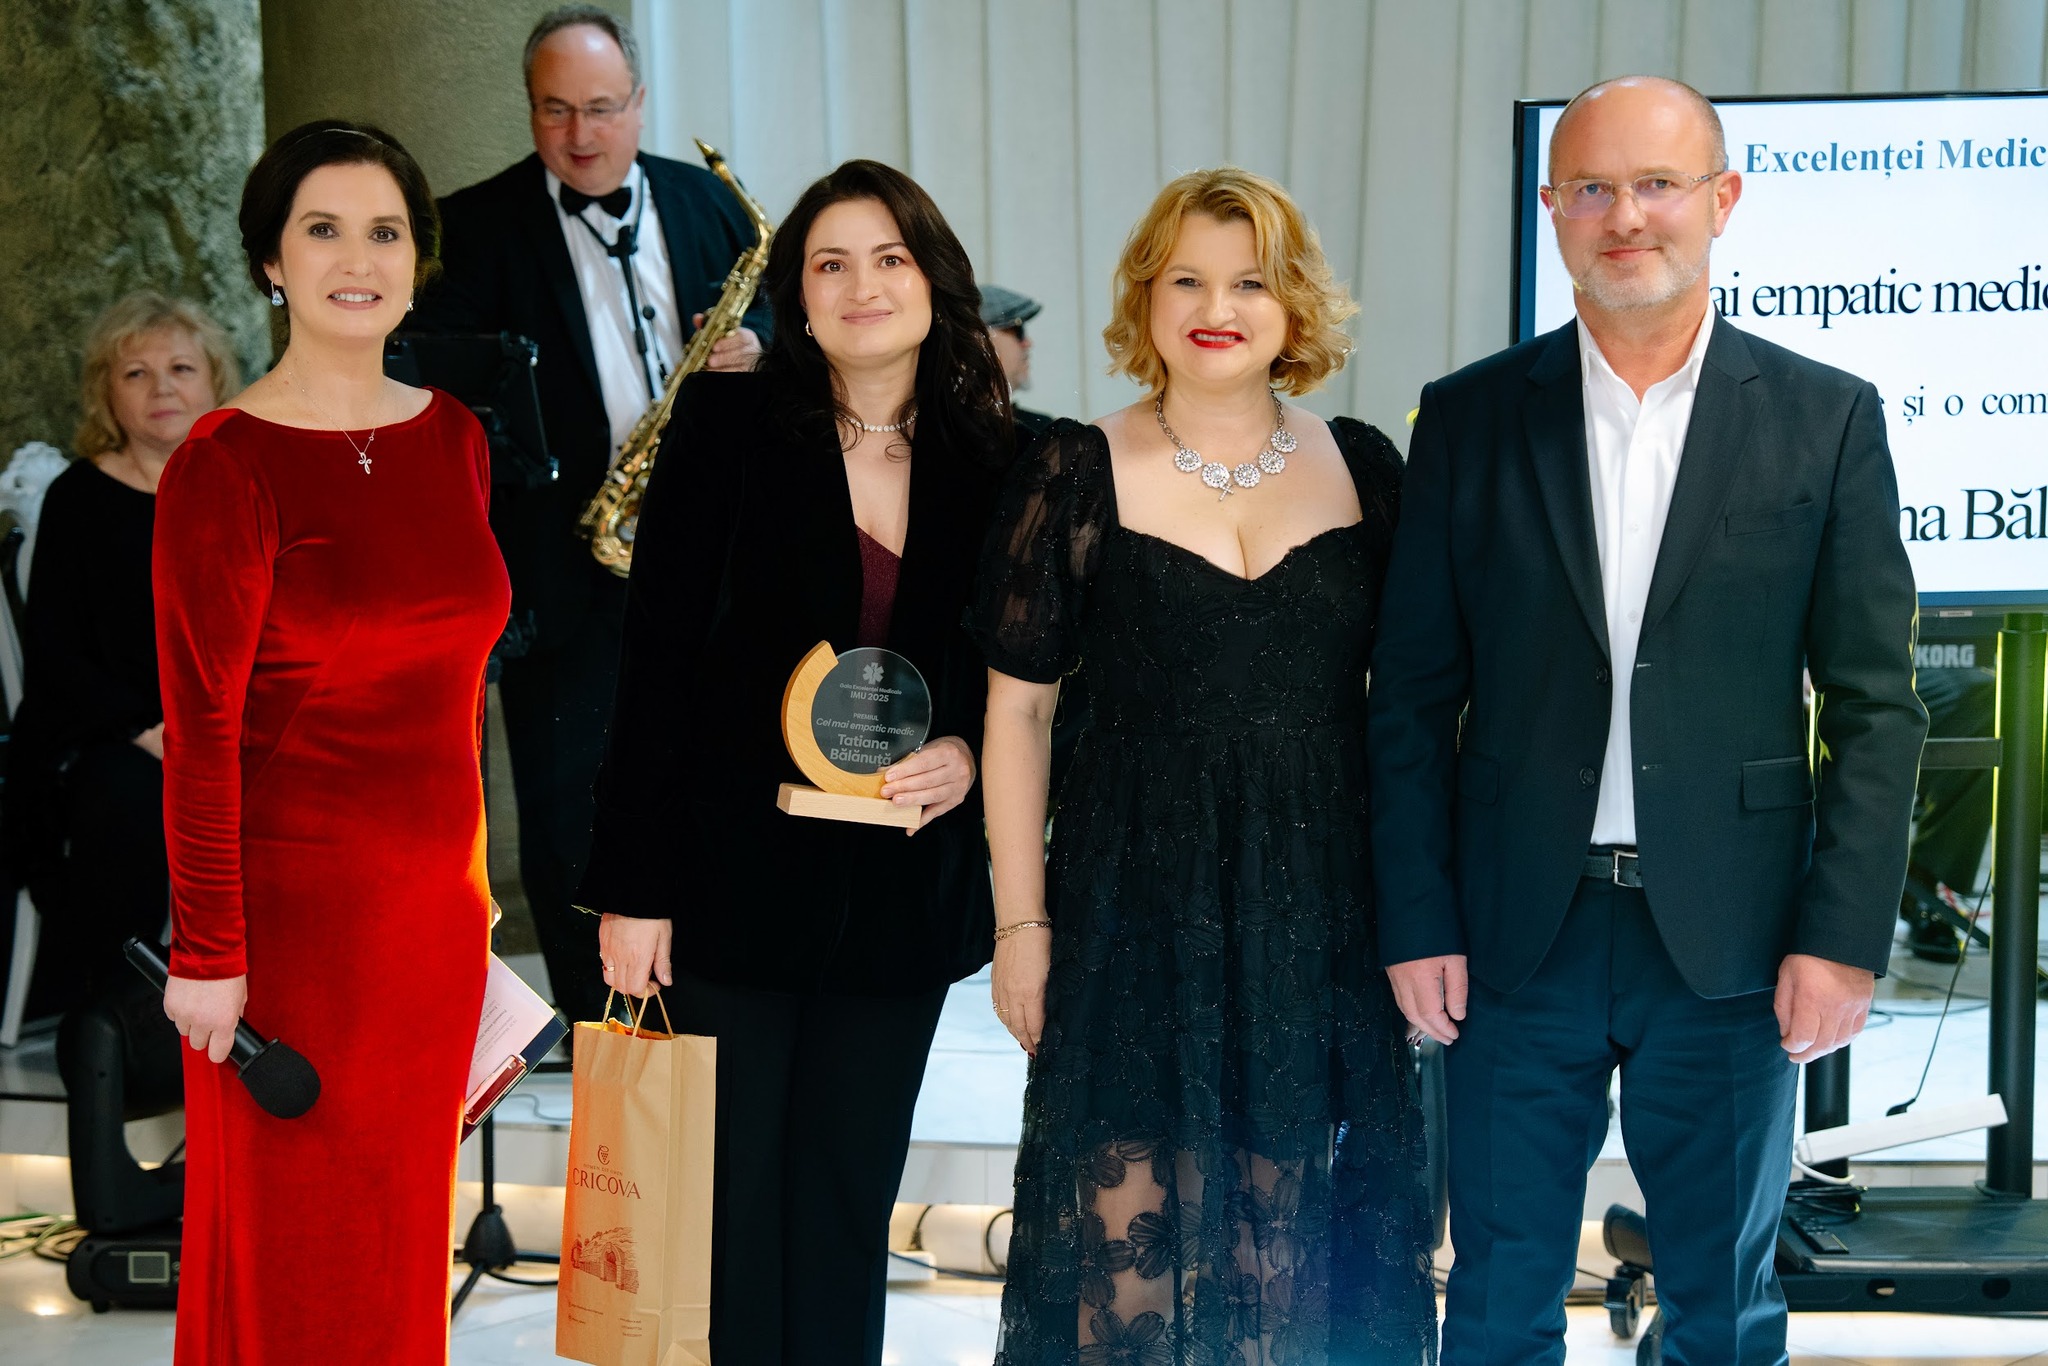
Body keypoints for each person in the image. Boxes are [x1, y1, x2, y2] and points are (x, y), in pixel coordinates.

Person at [1367, 76, 1926, 1364]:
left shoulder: (1825, 416)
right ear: (1550, 207)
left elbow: (1873, 705)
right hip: (1512, 935)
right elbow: (1408, 696)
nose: (1625, 215)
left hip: (1732, 942)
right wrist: (1416, 915)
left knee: (1722, 1309)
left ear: (1720, 200)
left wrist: (1840, 936)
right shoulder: (1467, 417)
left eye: (1657, 184)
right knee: (1493, 1302)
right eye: (1593, 188)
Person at [975, 167, 1438, 1364]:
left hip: (1317, 917)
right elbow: (1017, 714)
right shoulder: (1071, 468)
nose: (1215, 307)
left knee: (1288, 1276)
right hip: (1129, 910)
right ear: (1145, 295)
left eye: (1248, 282)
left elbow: (1417, 711)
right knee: (1123, 1278)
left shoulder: (1367, 468)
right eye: (1186, 278)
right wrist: (1019, 925)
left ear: (1293, 306)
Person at [584, 160, 1010, 1365]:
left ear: (933, 280)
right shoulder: (725, 428)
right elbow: (654, 663)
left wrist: (969, 754)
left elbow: (1031, 677)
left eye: (888, 258)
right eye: (830, 263)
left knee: (845, 1205)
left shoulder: (1002, 454)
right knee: (727, 1212)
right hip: (729, 886)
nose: (861, 285)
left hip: (899, 898)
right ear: (798, 295)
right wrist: (631, 889)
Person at [154, 121, 511, 1364]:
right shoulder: (225, 464)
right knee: (293, 1258)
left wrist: (473, 893)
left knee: (398, 1248)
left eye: (384, 232)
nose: (357, 260)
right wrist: (208, 952)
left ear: (417, 260)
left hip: (429, 933)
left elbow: (456, 695)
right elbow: (200, 733)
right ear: (271, 260)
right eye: (323, 230)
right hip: (287, 941)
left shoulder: (454, 436)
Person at [411, 4, 771, 1027]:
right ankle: (602, 1021)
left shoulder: (707, 203)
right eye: (556, 110)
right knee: (572, 796)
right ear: (529, 108)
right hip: (564, 564)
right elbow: (440, 388)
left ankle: (715, 998)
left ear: (640, 102)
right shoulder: (473, 229)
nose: (581, 134)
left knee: (720, 776)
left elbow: (782, 315)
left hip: (711, 550)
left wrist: (757, 345)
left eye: (603, 108)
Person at [1, 293, 239, 1014]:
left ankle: (286, 1017)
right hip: (114, 733)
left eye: (181, 368)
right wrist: (149, 731)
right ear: (107, 393)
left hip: (234, 728)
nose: (162, 387)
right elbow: (56, 655)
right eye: (136, 373)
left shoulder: (245, 484)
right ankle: (123, 1029)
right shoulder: (79, 498)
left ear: (215, 382)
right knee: (126, 804)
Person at [980, 283, 1054, 441]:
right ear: (983, 341)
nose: (1028, 343)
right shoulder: (942, 428)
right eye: (1018, 332)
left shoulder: (1041, 430)